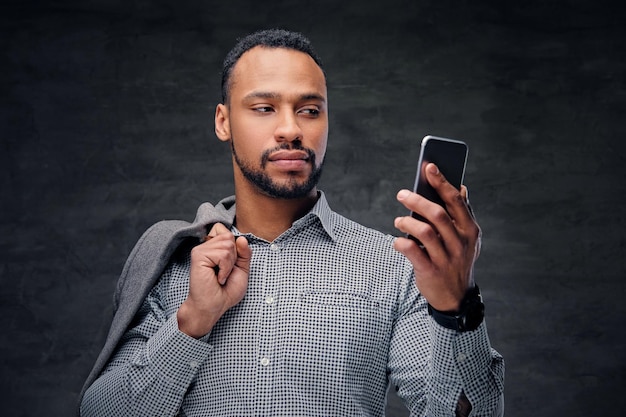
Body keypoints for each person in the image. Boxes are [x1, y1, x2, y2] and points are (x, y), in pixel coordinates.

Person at [78, 29, 504, 416]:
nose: (290, 129)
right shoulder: (172, 260)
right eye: (264, 107)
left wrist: (458, 309)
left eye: (310, 110)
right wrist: (191, 321)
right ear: (223, 121)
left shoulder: (395, 267)